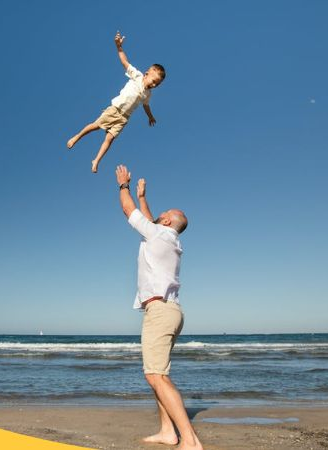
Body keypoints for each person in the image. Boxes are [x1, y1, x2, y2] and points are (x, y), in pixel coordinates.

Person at [115, 165, 203, 450]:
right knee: (158, 373)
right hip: (171, 312)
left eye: (163, 214)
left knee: (155, 376)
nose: (159, 216)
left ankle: (189, 440)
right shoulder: (169, 238)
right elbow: (151, 221)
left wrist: (124, 187)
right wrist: (144, 197)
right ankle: (168, 431)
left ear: (166, 222)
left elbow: (131, 213)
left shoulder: (158, 235)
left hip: (161, 312)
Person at [67, 32, 165, 173]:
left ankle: (96, 160)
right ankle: (77, 137)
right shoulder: (136, 76)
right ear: (147, 74)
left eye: (157, 84)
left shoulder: (147, 93)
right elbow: (125, 62)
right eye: (154, 81)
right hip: (115, 109)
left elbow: (146, 105)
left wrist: (150, 116)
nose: (154, 85)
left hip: (124, 118)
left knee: (109, 139)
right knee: (95, 126)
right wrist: (119, 47)